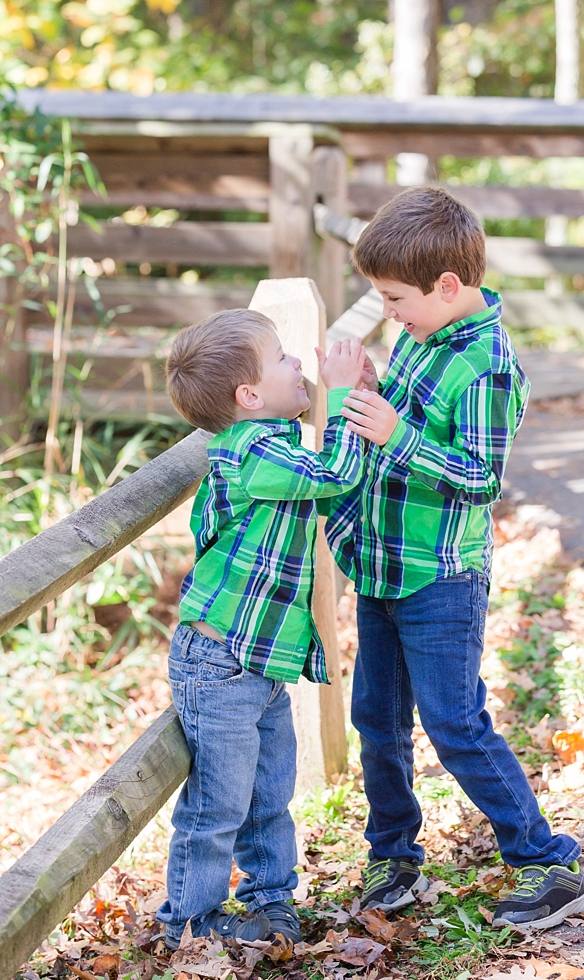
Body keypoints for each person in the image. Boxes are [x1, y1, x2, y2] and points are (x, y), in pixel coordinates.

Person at [322, 187, 584, 930]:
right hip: (382, 560)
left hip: (440, 575)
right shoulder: (422, 334)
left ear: (447, 286)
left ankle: (546, 861)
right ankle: (394, 856)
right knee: (376, 718)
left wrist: (394, 436)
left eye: (396, 298)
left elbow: (482, 477)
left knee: (455, 722)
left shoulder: (488, 366)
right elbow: (409, 417)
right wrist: (376, 393)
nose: (389, 313)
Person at [156, 309, 365, 949]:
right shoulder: (252, 451)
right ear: (249, 397)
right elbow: (336, 474)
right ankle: (190, 922)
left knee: (270, 791)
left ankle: (271, 901)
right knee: (218, 803)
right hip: (219, 663)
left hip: (262, 660)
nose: (298, 363)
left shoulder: (274, 448)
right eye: (282, 359)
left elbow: (327, 489)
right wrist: (341, 390)